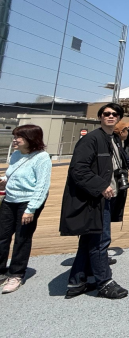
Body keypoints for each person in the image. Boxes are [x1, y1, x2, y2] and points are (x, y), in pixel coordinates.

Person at [60, 103, 129, 299]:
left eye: (114, 114)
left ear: (118, 118)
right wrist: (101, 186)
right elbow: (78, 169)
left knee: (89, 239)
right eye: (106, 113)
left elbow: (120, 160)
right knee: (100, 240)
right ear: (100, 117)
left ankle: (76, 282)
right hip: (95, 198)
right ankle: (104, 282)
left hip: (107, 195)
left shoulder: (112, 139)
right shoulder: (91, 139)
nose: (110, 116)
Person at [0, 124, 52, 294]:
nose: (14, 140)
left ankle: (16, 274)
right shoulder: (16, 155)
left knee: (22, 238)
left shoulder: (42, 157)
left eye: (18, 137)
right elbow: (13, 174)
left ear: (31, 139)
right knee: (2, 236)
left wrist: (31, 208)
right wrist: (4, 180)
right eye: (15, 136)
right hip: (10, 199)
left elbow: (42, 186)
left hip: (28, 201)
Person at [103, 122, 129, 264]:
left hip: (115, 188)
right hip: (107, 188)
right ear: (121, 132)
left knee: (106, 221)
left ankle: (101, 255)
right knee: (104, 223)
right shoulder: (108, 142)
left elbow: (126, 158)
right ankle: (100, 257)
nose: (128, 132)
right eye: (126, 129)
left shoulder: (118, 143)